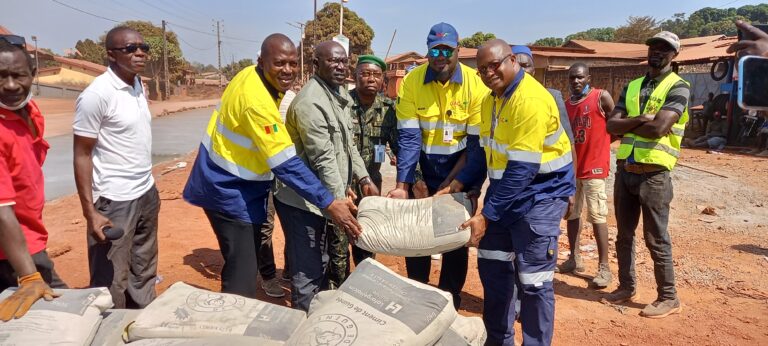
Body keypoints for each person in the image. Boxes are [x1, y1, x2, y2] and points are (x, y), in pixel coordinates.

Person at [183, 35, 360, 300]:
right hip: (227, 189)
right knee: (242, 275)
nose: (287, 71)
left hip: (245, 186)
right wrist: (329, 201)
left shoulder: (250, 76)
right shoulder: (257, 101)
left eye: (291, 63)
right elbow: (285, 163)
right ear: (261, 61)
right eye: (279, 64)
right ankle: (231, 326)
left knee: (247, 259)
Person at [442, 39, 574, 346]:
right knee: (493, 269)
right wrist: (456, 185)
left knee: (533, 283)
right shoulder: (490, 102)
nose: (489, 72)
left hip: (540, 196)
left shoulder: (530, 100)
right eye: (482, 69)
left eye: (495, 64)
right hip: (506, 197)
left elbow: (523, 170)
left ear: (512, 60)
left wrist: (486, 215)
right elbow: (483, 155)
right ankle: (499, 340)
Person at [386, 22, 489, 310]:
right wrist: (406, 184)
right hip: (424, 169)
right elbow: (408, 139)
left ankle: (449, 301)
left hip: (462, 169)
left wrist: (460, 187)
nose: (441, 55)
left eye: (447, 49)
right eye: (435, 50)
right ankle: (418, 297)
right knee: (417, 236)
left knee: (455, 237)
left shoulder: (476, 85)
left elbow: (475, 148)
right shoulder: (411, 82)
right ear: (428, 51)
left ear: (458, 50)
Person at [273, 41, 377, 311]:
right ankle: (302, 325)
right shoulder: (310, 102)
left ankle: (314, 320)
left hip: (323, 198)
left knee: (321, 262)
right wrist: (339, 200)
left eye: (344, 61)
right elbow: (323, 158)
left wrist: (363, 179)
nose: (341, 67)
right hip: (302, 202)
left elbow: (347, 145)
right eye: (333, 61)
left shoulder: (337, 93)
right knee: (307, 272)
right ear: (316, 64)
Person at [604, 31, 689, 319]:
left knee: (656, 238)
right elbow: (610, 127)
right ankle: (627, 286)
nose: (657, 52)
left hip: (654, 175)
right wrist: (640, 119)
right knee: (623, 235)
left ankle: (668, 297)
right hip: (625, 170)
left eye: (664, 49)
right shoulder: (631, 86)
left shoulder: (678, 87)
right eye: (653, 46)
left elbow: (658, 129)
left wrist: (627, 124)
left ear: (674, 55)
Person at [74, 27, 160, 309]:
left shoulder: (137, 85)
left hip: (145, 192)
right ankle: (107, 330)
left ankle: (140, 323)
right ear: (110, 54)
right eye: (130, 48)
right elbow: (82, 155)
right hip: (114, 200)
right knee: (110, 279)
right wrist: (90, 212)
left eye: (143, 47)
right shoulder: (96, 95)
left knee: (144, 268)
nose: (139, 52)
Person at [0, 35, 63, 321]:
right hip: (10, 256)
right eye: (1, 77)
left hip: (31, 241)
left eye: (18, 75)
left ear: (33, 75)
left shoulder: (30, 112)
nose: (11, 85)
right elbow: (1, 210)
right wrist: (28, 277)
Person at [559, 62, 616, 287]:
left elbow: (616, 124)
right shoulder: (565, 105)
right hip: (574, 169)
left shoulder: (601, 97)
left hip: (594, 168)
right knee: (572, 214)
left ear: (588, 78)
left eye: (580, 77)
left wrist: (602, 145)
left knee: (597, 215)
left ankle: (604, 267)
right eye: (572, 78)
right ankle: (574, 257)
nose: (576, 81)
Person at [346, 54, 396, 266]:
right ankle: (337, 288)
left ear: (383, 79)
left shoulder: (388, 109)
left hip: (372, 186)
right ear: (355, 76)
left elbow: (400, 148)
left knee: (366, 238)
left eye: (376, 74)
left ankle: (362, 285)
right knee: (339, 242)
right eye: (365, 74)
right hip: (343, 184)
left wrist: (410, 180)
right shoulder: (342, 104)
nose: (371, 79)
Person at [512, 45, 575, 144]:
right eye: (517, 66)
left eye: (526, 66)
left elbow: (569, 141)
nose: (522, 71)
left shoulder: (552, 96)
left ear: (533, 71)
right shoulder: (500, 100)